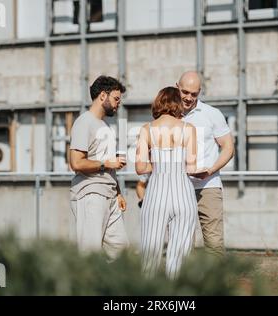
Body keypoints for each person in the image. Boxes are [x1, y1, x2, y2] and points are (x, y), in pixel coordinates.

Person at [135, 86, 200, 279]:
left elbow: (140, 168)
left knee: (149, 254)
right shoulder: (189, 129)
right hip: (183, 193)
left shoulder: (147, 129)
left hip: (156, 193)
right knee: (179, 258)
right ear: (177, 103)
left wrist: (157, 164)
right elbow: (192, 166)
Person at [69, 75, 129, 261]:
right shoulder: (84, 122)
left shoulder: (105, 126)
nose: (118, 104)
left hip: (109, 194)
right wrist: (106, 163)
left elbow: (107, 164)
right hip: (90, 194)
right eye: (116, 99)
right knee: (89, 254)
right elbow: (76, 163)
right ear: (103, 95)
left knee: (121, 252)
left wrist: (117, 191)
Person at [177, 71, 235, 257]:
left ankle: (216, 285)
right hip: (178, 186)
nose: (188, 98)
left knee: (214, 242)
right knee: (182, 243)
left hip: (208, 185)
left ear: (199, 92)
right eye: (185, 92)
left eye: (194, 94)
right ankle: (183, 284)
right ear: (176, 87)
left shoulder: (212, 114)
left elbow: (228, 148)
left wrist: (210, 171)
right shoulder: (168, 115)